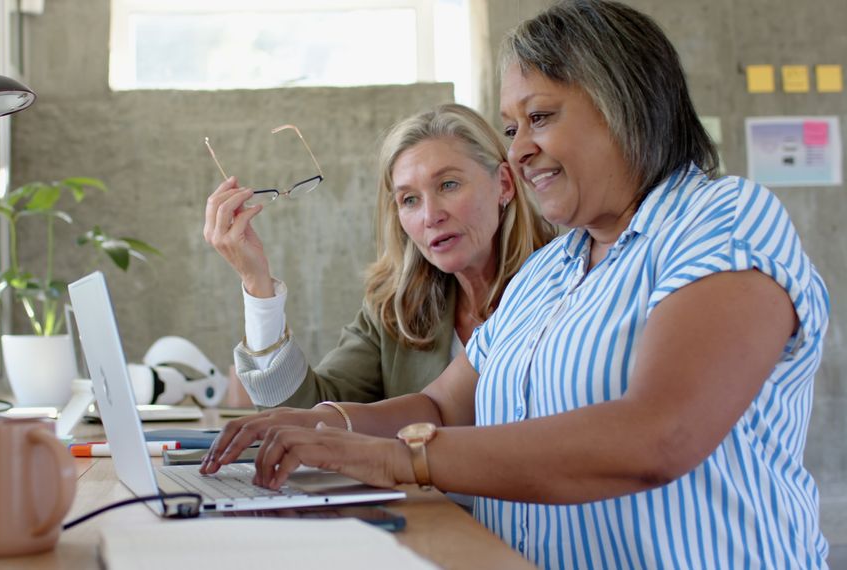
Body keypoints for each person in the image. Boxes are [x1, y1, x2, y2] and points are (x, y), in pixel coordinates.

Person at [201, 1, 831, 567]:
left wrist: (401, 458)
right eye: (511, 129)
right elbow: (445, 406)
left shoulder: (720, 218)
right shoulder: (553, 269)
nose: (520, 149)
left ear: (628, 104)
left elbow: (658, 435)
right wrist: (323, 425)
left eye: (540, 117)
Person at [203, 104, 554, 408]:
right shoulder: (394, 312)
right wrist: (257, 284)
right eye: (409, 200)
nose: (431, 215)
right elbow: (306, 416)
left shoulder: (569, 283)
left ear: (504, 184)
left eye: (448, 185)